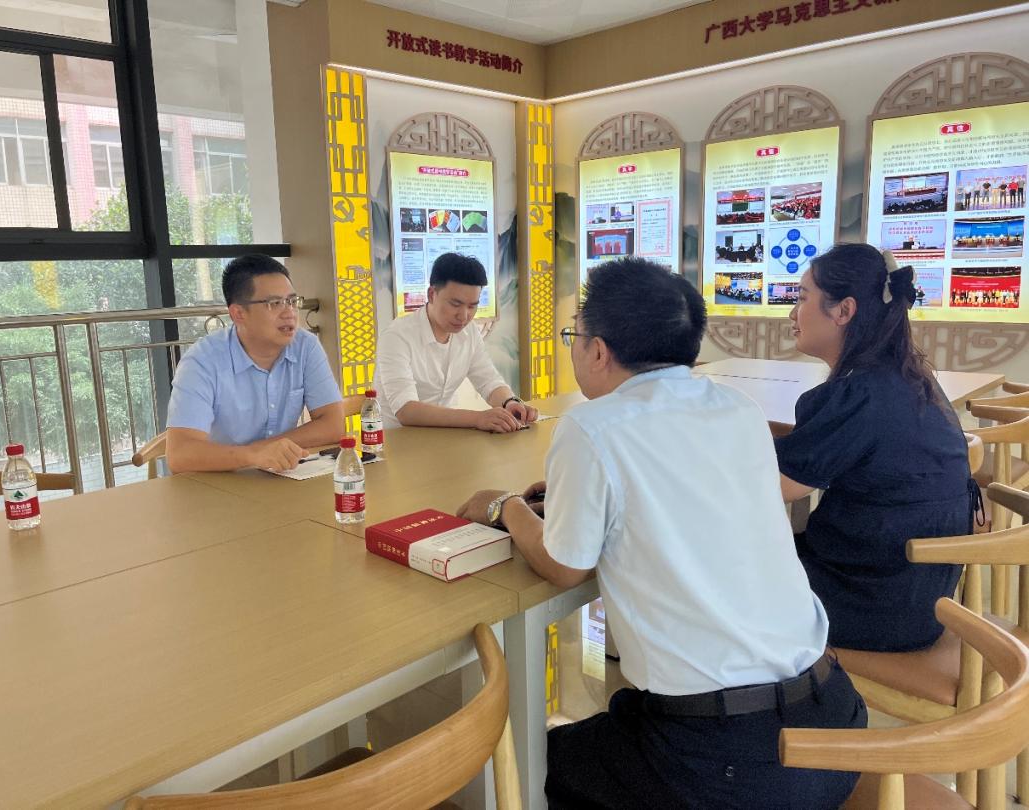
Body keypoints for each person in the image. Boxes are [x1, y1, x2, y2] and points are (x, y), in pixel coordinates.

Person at [457, 257, 866, 809]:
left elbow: (565, 566)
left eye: (575, 337)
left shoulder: (590, 426)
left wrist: (506, 507)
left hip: (730, 762)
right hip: (836, 719)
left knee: (532, 767)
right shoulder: (737, 407)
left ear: (598, 351)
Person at [776, 244, 975, 652]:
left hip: (874, 602)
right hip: (921, 595)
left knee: (715, 569)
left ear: (844, 311)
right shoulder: (909, 378)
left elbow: (777, 486)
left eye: (802, 298)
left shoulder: (859, 393)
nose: (792, 314)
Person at [165, 254, 344, 473]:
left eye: (292, 301)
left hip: (278, 477)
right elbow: (180, 455)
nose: (289, 313)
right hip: (217, 480)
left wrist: (267, 451)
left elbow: (333, 425)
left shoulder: (305, 346)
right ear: (238, 314)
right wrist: (253, 455)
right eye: (274, 303)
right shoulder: (202, 361)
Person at [374, 252, 538, 432]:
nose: (464, 316)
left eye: (472, 306)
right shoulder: (397, 336)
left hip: (446, 435)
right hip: (397, 439)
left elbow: (489, 380)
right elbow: (406, 410)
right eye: (455, 304)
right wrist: (478, 418)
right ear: (431, 294)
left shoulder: (469, 332)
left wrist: (510, 402)